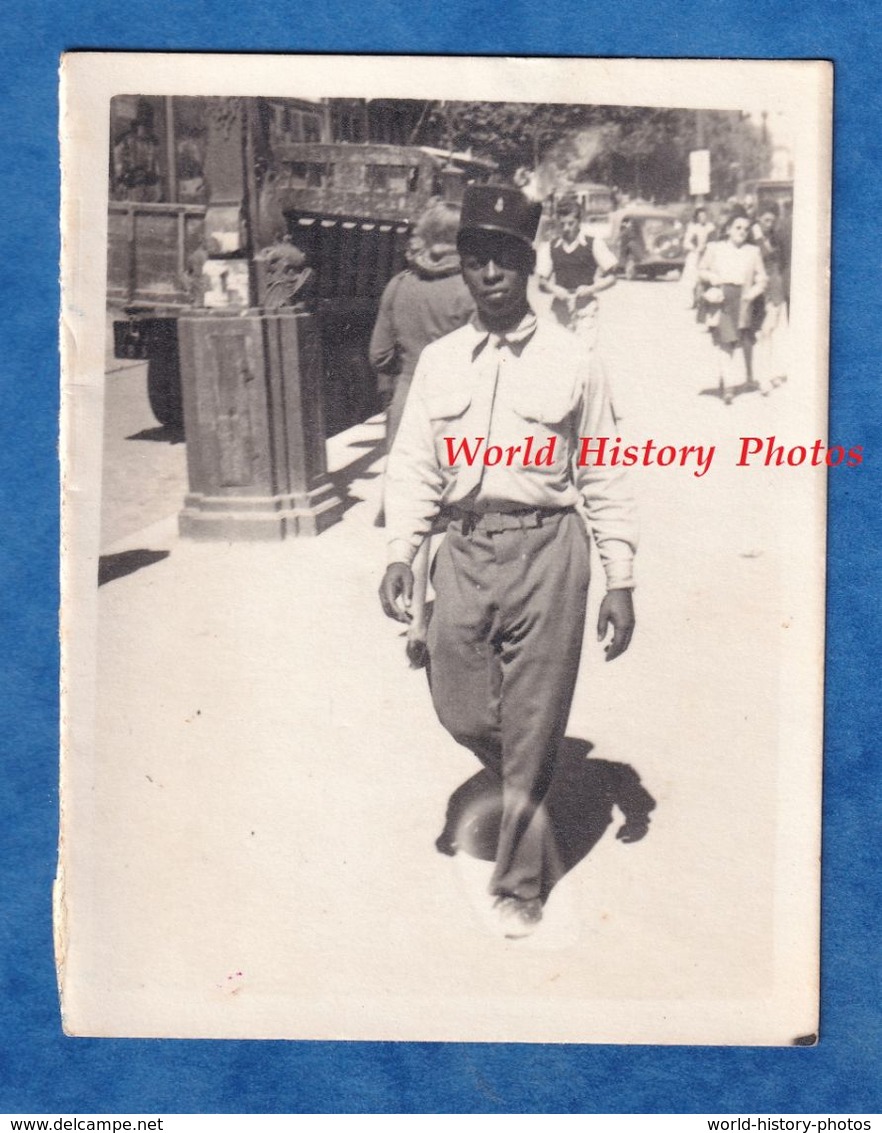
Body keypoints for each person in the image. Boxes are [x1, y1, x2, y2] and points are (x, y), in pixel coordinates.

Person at [378, 185, 638, 939]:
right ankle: (533, 769)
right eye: (475, 258)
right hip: (461, 550)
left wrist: (621, 577)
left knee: (531, 722)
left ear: (528, 263)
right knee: (458, 703)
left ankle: (522, 877)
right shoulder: (439, 361)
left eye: (504, 257)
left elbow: (606, 471)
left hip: (551, 549)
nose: (489, 271)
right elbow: (414, 464)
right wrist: (403, 550)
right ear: (462, 268)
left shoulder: (574, 360)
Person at [369, 198, 475, 660]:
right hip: (460, 408)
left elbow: (377, 354)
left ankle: (413, 623)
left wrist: (404, 371)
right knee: (459, 512)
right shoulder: (469, 288)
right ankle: (452, 616)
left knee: (415, 514)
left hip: (407, 404)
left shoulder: (399, 285)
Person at [697, 208, 768, 405]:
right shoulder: (715, 248)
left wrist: (752, 294)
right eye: (737, 227)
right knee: (725, 341)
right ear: (728, 229)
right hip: (721, 298)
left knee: (738, 341)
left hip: (743, 300)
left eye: (746, 228)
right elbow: (701, 270)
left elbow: (762, 278)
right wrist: (713, 278)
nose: (742, 231)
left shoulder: (753, 252)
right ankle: (728, 388)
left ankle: (731, 378)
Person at [537, 192, 618, 347]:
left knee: (584, 354)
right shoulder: (550, 247)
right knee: (559, 354)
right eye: (562, 224)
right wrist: (555, 289)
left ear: (579, 222)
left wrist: (591, 289)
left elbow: (612, 277)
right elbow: (542, 282)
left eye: (571, 223)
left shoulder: (593, 244)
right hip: (560, 309)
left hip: (585, 308)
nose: (566, 228)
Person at [751, 203, 789, 395]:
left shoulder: (775, 238)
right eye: (765, 220)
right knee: (760, 334)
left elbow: (777, 261)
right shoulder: (753, 239)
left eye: (772, 220)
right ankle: (761, 376)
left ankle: (768, 375)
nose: (769, 224)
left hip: (774, 287)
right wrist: (757, 235)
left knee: (771, 332)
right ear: (758, 219)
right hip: (759, 290)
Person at [112, 99, 162, 203]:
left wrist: (155, 183)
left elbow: (156, 168)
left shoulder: (152, 143)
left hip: (149, 188)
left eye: (148, 126)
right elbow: (118, 166)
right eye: (142, 125)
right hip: (130, 188)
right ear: (137, 125)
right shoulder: (125, 142)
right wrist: (122, 179)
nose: (146, 129)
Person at [681, 205, 717, 308]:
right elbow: (686, 242)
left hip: (707, 254)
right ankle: (692, 301)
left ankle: (703, 301)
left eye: (704, 216)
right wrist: (695, 248)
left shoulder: (710, 227)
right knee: (692, 279)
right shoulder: (693, 227)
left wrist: (707, 248)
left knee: (705, 278)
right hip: (695, 255)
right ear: (697, 217)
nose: (702, 218)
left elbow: (713, 240)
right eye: (700, 216)